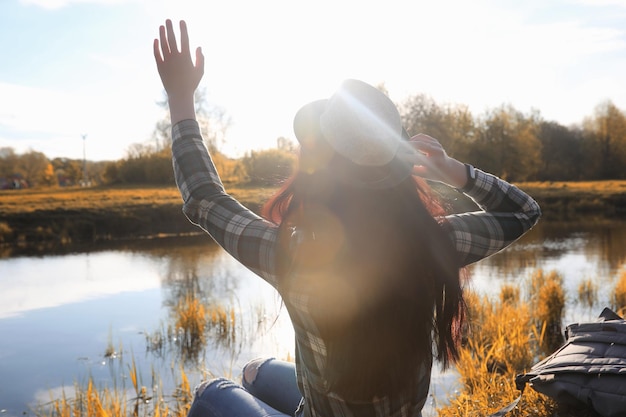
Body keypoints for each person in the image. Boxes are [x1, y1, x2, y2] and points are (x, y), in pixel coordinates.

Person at [154, 19, 541, 417]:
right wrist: (452, 170)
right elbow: (523, 211)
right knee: (256, 372)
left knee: (210, 392)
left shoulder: (291, 254)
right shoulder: (435, 241)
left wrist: (180, 96)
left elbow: (203, 198)